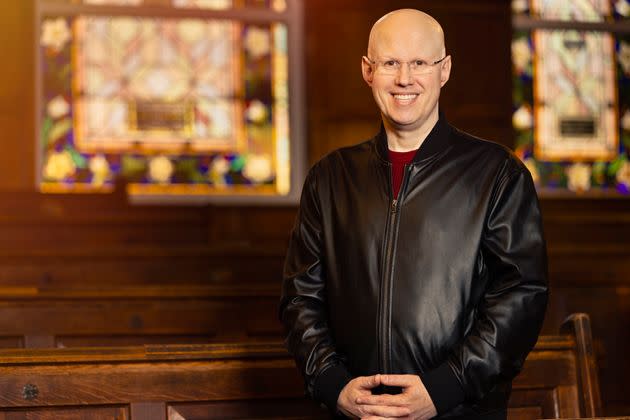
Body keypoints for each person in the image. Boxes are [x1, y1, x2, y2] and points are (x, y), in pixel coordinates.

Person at [280, 8, 548, 420]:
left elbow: (520, 296)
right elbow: (301, 298)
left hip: (459, 411)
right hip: (355, 413)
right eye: (390, 63)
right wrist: (333, 384)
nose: (405, 78)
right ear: (368, 71)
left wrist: (446, 388)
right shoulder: (329, 178)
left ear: (445, 70)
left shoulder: (497, 174)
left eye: (420, 62)